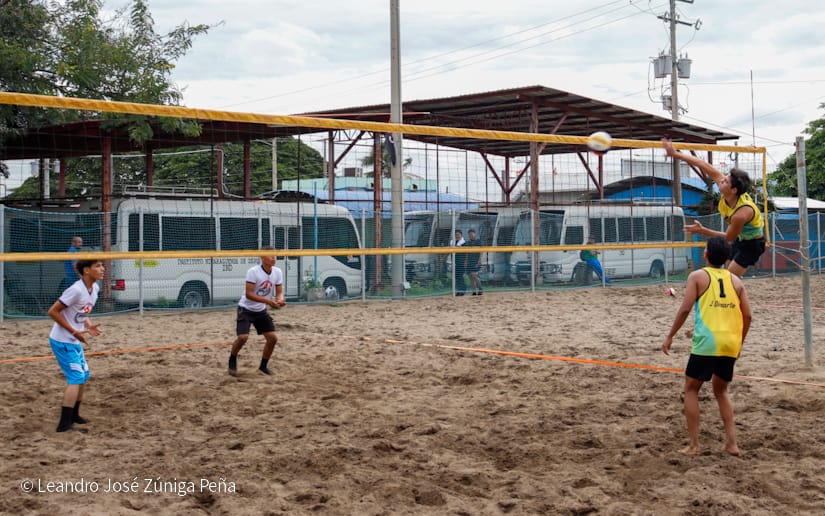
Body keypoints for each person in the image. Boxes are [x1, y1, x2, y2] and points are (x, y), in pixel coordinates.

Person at [662, 236, 752, 456]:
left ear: (705, 255)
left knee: (691, 388)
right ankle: (732, 444)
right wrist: (739, 343)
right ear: (726, 258)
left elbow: (684, 310)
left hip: (708, 342)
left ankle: (694, 445)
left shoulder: (697, 276)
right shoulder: (736, 281)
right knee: (721, 391)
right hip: (729, 342)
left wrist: (670, 336)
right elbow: (748, 316)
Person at [662, 138, 766, 277]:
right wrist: (676, 154)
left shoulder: (741, 213)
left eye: (725, 181)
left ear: (734, 190)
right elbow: (702, 164)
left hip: (752, 244)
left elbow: (728, 237)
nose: (720, 180)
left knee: (729, 278)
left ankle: (737, 297)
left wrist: (702, 230)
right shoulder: (729, 192)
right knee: (725, 276)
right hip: (740, 239)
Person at [47, 259, 104, 433]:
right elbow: (52, 311)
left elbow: (82, 311)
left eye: (102, 265)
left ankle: (74, 416)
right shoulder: (75, 290)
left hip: (74, 339)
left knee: (84, 376)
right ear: (86, 270)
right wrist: (73, 331)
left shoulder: (94, 288)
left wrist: (88, 326)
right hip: (63, 340)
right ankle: (64, 425)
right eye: (98, 266)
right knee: (76, 378)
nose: (102, 269)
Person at [228, 247, 286, 376]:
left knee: (272, 338)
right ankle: (232, 358)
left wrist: (280, 300)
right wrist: (269, 302)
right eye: (270, 256)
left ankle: (263, 366)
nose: (273, 258)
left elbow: (280, 292)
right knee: (243, 337)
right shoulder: (253, 272)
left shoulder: (277, 272)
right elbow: (249, 294)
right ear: (262, 257)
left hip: (260, 310)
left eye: (274, 256)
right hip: (246, 309)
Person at [465, 229, 483, 295]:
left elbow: (481, 251)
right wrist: (466, 261)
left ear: (475, 234)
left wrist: (480, 259)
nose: (471, 235)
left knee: (474, 275)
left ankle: (480, 289)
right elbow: (466, 253)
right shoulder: (468, 243)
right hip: (469, 262)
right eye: (470, 235)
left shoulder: (478, 241)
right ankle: (474, 291)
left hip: (476, 261)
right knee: (471, 277)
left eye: (472, 234)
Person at [450, 230, 467, 296]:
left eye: (458, 234)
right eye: (456, 235)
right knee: (456, 277)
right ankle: (458, 290)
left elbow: (466, 253)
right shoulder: (452, 242)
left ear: (461, 235)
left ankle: (463, 289)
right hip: (454, 262)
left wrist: (465, 262)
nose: (457, 236)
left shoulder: (464, 243)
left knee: (460, 276)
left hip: (461, 262)